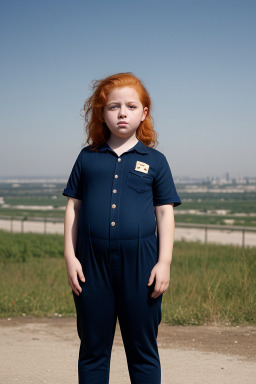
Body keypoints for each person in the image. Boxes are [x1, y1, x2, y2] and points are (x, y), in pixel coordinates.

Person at [62, 72, 182, 384]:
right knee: (93, 349)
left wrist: (164, 262)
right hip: (91, 265)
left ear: (144, 112)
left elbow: (164, 213)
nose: (122, 113)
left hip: (141, 266)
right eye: (113, 107)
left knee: (143, 350)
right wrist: (70, 257)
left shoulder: (155, 161)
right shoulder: (87, 158)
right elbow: (73, 207)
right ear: (102, 113)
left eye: (130, 106)